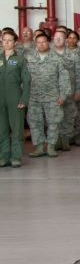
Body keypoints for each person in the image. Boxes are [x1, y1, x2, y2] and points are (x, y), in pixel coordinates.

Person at [26, 32, 70, 158]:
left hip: (52, 97)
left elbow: (64, 78)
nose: (41, 44)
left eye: (44, 42)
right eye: (38, 42)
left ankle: (51, 146)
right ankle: (39, 147)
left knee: (53, 122)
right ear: (36, 44)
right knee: (35, 122)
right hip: (34, 97)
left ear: (48, 42)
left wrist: (63, 96)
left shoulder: (57, 58)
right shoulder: (29, 59)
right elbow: (24, 80)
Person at [51, 30, 80, 153]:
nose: (58, 40)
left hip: (70, 92)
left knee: (69, 116)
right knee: (53, 117)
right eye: (56, 38)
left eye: (61, 38)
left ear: (66, 40)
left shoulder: (73, 55)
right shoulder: (48, 55)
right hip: (52, 93)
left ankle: (65, 140)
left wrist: (79, 91)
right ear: (53, 39)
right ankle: (56, 141)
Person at [0, 32, 29, 167]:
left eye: (9, 40)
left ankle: (16, 157)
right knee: (2, 129)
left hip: (15, 97)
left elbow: (27, 81)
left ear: (15, 42)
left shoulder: (20, 60)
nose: (6, 43)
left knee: (16, 129)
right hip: (0, 98)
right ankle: (4, 156)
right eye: (4, 40)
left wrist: (24, 98)